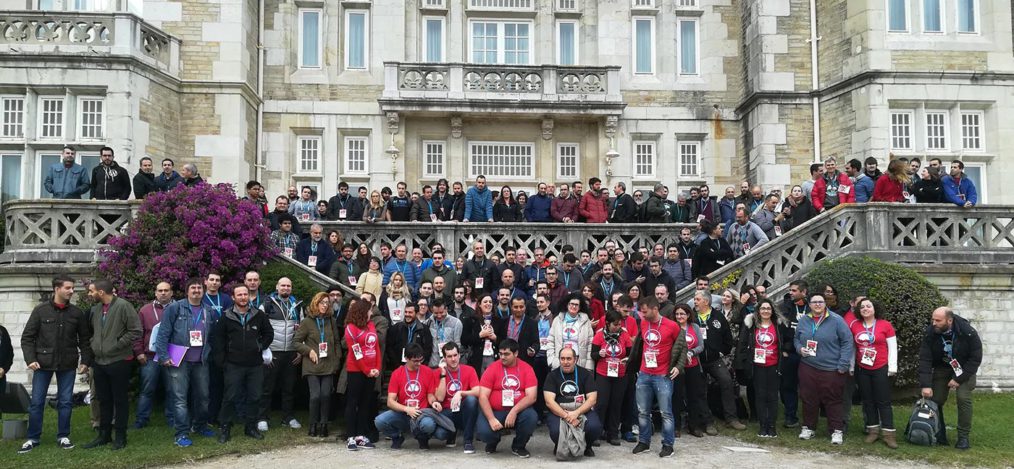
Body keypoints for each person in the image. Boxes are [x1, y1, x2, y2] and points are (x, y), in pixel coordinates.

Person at [18, 277, 93, 454]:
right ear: (57, 289)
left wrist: (85, 361)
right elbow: (27, 338)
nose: (72, 291)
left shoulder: (76, 313)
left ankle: (63, 436)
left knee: (66, 402)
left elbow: (84, 340)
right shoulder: (40, 311)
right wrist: (30, 359)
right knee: (36, 402)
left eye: (72, 288)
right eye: (68, 288)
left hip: (67, 363)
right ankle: (32, 438)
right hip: (42, 364)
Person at [154, 277, 219, 447]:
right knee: (180, 398)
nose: (197, 291)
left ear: (203, 290)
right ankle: (181, 433)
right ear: (187, 291)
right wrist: (163, 356)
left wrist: (211, 354)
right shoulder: (175, 308)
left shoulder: (209, 310)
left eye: (199, 288)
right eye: (193, 288)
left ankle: (200, 426)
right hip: (179, 360)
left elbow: (212, 336)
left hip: (201, 361)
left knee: (203, 397)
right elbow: (163, 333)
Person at [81, 280, 141, 450]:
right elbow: (93, 333)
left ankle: (121, 437)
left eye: (91, 291)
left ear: (101, 292)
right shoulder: (96, 309)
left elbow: (135, 330)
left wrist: (116, 345)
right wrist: (95, 346)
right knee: (103, 400)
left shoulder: (124, 306)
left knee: (120, 400)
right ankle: (104, 435)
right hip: (99, 362)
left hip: (119, 361)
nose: (89, 294)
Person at [212, 285, 272, 443]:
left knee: (255, 396)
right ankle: (225, 428)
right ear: (233, 297)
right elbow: (218, 340)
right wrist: (222, 361)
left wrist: (260, 346)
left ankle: (250, 427)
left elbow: (269, 333)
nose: (243, 297)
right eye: (239, 295)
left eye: (245, 294)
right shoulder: (226, 316)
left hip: (255, 365)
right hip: (233, 364)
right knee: (230, 397)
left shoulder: (258, 315)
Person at [919, 307, 982, 450]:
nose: (933, 323)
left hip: (965, 369)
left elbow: (975, 358)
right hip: (943, 367)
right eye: (932, 319)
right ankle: (939, 433)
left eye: (938, 320)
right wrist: (926, 385)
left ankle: (963, 437)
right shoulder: (930, 332)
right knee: (936, 399)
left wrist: (958, 379)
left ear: (949, 320)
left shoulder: (968, 332)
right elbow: (925, 359)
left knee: (963, 398)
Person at [794, 293, 853, 445]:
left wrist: (843, 364)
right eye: (814, 302)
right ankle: (808, 427)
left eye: (821, 302)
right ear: (810, 304)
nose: (818, 305)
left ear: (825, 304)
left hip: (831, 368)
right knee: (808, 399)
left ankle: (836, 431)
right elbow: (796, 338)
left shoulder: (836, 320)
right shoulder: (804, 320)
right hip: (808, 366)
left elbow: (847, 342)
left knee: (833, 400)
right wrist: (799, 349)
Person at [631, 296, 685, 458]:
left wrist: (678, 366)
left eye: (645, 311)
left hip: (663, 375)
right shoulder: (644, 323)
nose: (642, 314)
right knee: (642, 411)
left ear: (655, 309)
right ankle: (644, 441)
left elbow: (683, 346)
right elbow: (641, 344)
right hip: (644, 373)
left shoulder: (672, 325)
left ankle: (668, 445)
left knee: (666, 412)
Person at [374, 342, 449, 449]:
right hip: (404, 413)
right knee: (379, 421)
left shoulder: (427, 371)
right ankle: (397, 437)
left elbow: (430, 395)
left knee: (429, 425)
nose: (419, 363)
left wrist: (434, 403)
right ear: (407, 359)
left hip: (421, 413)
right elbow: (390, 402)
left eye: (421, 360)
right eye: (415, 361)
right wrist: (406, 409)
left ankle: (423, 438)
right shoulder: (397, 373)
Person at [734, 299, 789, 438]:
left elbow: (788, 339)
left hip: (774, 365)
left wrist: (785, 350)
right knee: (760, 396)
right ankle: (763, 425)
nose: (765, 311)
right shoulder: (751, 325)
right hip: (757, 366)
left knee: (772, 396)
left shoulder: (779, 324)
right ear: (758, 311)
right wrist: (742, 362)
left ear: (772, 310)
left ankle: (771, 426)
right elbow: (743, 343)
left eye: (768, 308)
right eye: (763, 308)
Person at [476, 338, 539, 458]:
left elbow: (532, 397)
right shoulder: (492, 368)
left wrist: (514, 411)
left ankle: (518, 446)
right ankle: (492, 441)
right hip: (496, 411)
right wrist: (491, 419)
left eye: (506, 354)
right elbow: (483, 396)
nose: (502, 357)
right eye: (500, 354)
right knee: (484, 432)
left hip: (519, 411)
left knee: (531, 417)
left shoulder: (527, 369)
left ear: (516, 353)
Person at [692, 291, 746, 431]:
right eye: (695, 299)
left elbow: (727, 337)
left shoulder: (718, 316)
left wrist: (723, 351)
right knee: (700, 389)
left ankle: (731, 418)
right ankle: (708, 422)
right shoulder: (691, 316)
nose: (695, 302)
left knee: (727, 381)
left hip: (715, 359)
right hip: (697, 360)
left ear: (706, 301)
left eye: (697, 299)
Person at [850, 299, 898, 449]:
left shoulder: (885, 325)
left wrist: (892, 367)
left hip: (881, 367)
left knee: (883, 401)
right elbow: (852, 348)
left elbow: (893, 347)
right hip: (862, 368)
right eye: (862, 307)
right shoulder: (855, 325)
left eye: (868, 306)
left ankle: (889, 434)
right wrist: (851, 366)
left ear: (874, 309)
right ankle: (873, 431)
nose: (865, 309)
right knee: (868, 401)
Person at [293, 292, 341, 438]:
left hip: (328, 364)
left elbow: (337, 342)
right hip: (312, 364)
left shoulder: (331, 321)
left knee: (326, 395)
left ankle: (324, 424)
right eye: (322, 302)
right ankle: (313, 424)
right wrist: (309, 351)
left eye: (327, 303)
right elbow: (295, 342)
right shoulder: (307, 321)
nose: (325, 305)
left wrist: (337, 359)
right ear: (316, 303)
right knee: (315, 396)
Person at [259, 277, 303, 431]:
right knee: (267, 387)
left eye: (288, 286)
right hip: (273, 352)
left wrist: (300, 350)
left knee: (289, 388)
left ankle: (288, 417)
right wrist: (265, 351)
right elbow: (259, 329)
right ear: (277, 287)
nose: (285, 288)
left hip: (291, 352)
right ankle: (262, 417)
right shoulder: (267, 303)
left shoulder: (297, 305)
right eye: (283, 285)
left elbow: (301, 330)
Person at [544, 347, 602, 459]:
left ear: (575, 359)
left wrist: (576, 413)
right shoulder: (552, 375)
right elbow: (549, 401)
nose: (565, 362)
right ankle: (559, 444)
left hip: (581, 409)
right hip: (560, 411)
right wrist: (566, 416)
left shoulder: (585, 374)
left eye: (569, 359)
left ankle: (587, 446)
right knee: (556, 431)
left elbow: (592, 399)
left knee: (594, 426)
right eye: (562, 359)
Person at [131, 282, 173, 429]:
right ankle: (141, 419)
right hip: (150, 356)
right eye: (160, 290)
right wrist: (139, 352)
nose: (163, 293)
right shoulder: (145, 310)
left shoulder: (178, 308)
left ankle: (172, 418)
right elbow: (137, 333)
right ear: (155, 293)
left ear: (171, 293)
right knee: (147, 389)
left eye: (166, 290)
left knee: (172, 389)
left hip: (171, 355)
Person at [343, 299, 382, 451]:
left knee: (366, 403)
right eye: (369, 310)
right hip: (356, 370)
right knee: (353, 402)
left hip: (372, 370)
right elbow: (355, 351)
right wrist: (366, 370)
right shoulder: (351, 328)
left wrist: (377, 367)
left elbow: (376, 347)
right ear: (362, 311)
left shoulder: (371, 325)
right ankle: (351, 436)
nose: (371, 313)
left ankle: (360, 435)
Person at [591, 310, 633, 445]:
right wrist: (600, 354)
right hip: (603, 374)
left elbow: (630, 354)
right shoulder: (599, 335)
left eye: (619, 324)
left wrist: (627, 359)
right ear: (607, 324)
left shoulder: (624, 335)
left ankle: (613, 433)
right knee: (601, 404)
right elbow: (593, 354)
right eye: (615, 325)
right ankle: (596, 433)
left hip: (620, 374)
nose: (618, 327)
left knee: (616, 404)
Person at [436, 342, 480, 453]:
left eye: (455, 355)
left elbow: (478, 391)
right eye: (449, 356)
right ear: (444, 359)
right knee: (440, 434)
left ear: (459, 355)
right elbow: (440, 398)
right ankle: (451, 433)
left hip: (463, 411)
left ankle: (468, 441)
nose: (453, 359)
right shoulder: (438, 372)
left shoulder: (469, 370)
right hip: (446, 412)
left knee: (471, 400)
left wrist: (461, 393)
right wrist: (442, 374)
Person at [547, 295, 594, 370]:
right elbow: (550, 341)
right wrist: (552, 360)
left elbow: (590, 344)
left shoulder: (586, 321)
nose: (574, 306)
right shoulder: (557, 320)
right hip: (561, 360)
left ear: (580, 307)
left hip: (579, 361)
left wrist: (588, 365)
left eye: (576, 305)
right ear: (567, 305)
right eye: (571, 304)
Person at [387, 302, 433, 369]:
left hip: (417, 366)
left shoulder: (424, 329)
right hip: (399, 367)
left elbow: (427, 349)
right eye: (406, 312)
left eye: (410, 312)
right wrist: (396, 365)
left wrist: (421, 363)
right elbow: (389, 347)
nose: (407, 314)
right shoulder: (396, 328)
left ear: (416, 313)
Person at [429, 299, 463, 367]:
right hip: (432, 364)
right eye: (436, 313)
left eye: (441, 312)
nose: (439, 316)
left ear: (446, 309)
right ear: (432, 311)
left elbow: (457, 345)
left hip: (449, 365)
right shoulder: (428, 323)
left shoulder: (456, 323)